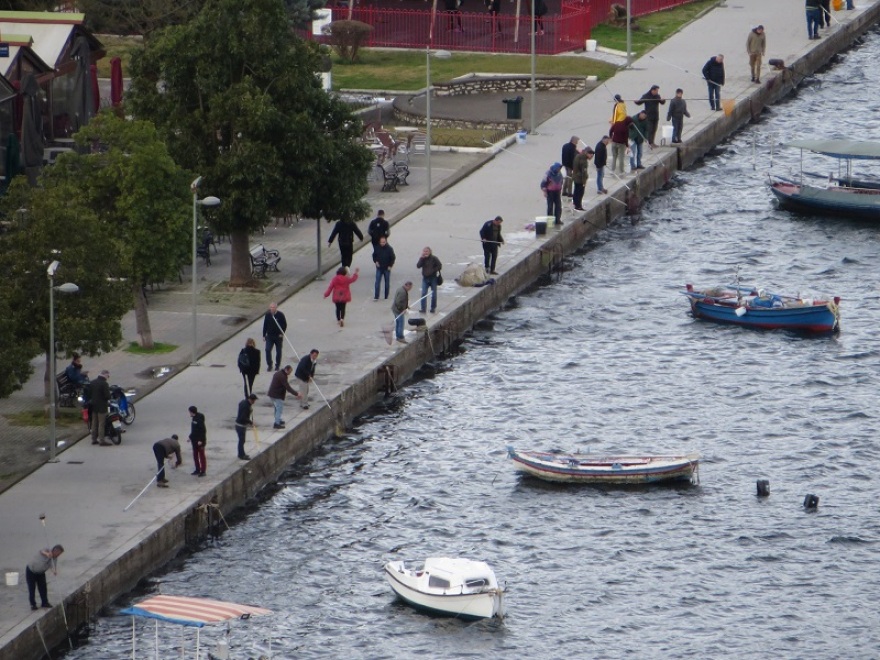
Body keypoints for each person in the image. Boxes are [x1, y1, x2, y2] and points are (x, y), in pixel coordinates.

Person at [25, 545, 64, 610]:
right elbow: (41, 551)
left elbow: (53, 566)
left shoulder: (55, 558)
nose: (59, 555)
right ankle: (33, 604)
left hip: (41, 573)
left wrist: (54, 571)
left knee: (43, 588)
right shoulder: (47, 549)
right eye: (59, 553)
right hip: (31, 571)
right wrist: (47, 554)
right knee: (32, 588)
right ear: (55, 551)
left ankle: (44, 603)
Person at [417, 247, 442, 314]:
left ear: (430, 252)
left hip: (433, 278)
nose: (425, 253)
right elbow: (418, 266)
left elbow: (440, 266)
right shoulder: (423, 259)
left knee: (434, 294)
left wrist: (434, 270)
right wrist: (421, 258)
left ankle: (433, 308)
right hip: (425, 279)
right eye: (424, 251)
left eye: (427, 251)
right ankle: (423, 308)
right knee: (423, 293)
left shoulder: (434, 258)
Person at [262, 302, 286, 371]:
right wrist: (264, 335)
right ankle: (269, 365)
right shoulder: (268, 315)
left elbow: (284, 325)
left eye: (273, 307)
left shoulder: (280, 315)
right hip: (269, 336)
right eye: (271, 307)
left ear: (276, 308)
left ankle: (277, 365)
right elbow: (265, 325)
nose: (272, 309)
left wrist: (282, 333)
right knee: (267, 349)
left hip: (278, 336)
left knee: (278, 351)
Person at [89, 370, 112, 446]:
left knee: (94, 423)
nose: (108, 378)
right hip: (102, 406)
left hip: (94, 405)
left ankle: (94, 439)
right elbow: (107, 396)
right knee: (101, 423)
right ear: (105, 375)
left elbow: (89, 393)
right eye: (108, 376)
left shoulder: (92, 382)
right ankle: (102, 440)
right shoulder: (104, 384)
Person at [540, 162, 564, 226]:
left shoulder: (559, 174)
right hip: (550, 192)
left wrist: (560, 188)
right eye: (558, 168)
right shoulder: (548, 174)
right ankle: (550, 222)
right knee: (550, 207)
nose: (559, 170)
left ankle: (557, 220)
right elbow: (543, 184)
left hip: (557, 192)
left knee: (558, 206)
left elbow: (561, 181)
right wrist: (544, 192)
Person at [372, 236, 396, 300]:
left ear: (386, 242)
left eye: (384, 242)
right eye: (381, 242)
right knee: (377, 282)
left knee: (387, 283)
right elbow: (374, 255)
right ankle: (376, 296)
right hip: (379, 267)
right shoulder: (377, 248)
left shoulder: (389, 249)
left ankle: (386, 296)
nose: (382, 243)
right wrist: (375, 261)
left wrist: (390, 266)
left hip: (386, 268)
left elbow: (393, 258)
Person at [234, 394, 257, 460]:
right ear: (251, 400)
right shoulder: (246, 406)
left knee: (242, 440)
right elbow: (243, 417)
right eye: (254, 400)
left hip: (239, 425)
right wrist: (251, 422)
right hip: (241, 426)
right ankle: (241, 455)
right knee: (242, 440)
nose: (254, 402)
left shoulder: (243, 402)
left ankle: (242, 453)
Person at [571, 146, 593, 211]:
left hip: (575, 177)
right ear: (587, 153)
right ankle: (578, 206)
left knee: (576, 191)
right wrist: (584, 182)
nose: (591, 156)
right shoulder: (584, 161)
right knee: (580, 193)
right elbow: (584, 172)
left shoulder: (578, 156)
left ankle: (575, 204)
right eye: (590, 155)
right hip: (580, 179)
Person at [188, 405, 207, 477]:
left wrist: (201, 440)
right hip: (194, 440)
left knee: (201, 456)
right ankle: (197, 469)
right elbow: (194, 430)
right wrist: (190, 437)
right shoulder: (194, 419)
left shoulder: (199, 419)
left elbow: (202, 431)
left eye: (189, 412)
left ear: (192, 412)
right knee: (195, 455)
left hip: (199, 441)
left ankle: (203, 471)